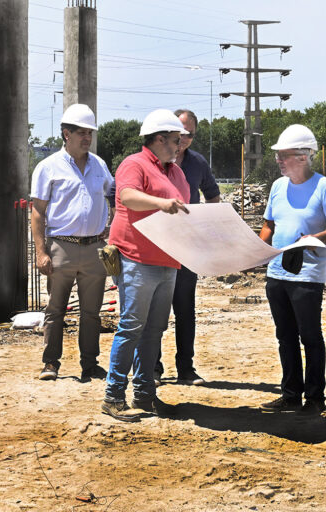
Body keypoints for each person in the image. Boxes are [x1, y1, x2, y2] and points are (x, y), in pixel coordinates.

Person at [101, 109, 191, 422]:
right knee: (131, 327)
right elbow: (127, 196)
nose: (179, 146)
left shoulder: (175, 172)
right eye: (175, 140)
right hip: (136, 259)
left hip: (167, 260)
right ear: (159, 138)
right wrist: (162, 204)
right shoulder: (134, 164)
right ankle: (113, 395)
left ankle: (144, 394)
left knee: (154, 329)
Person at [258, 124, 326, 416]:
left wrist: (313, 240)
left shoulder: (324, 188)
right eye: (278, 156)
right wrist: (256, 249)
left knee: (310, 336)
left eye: (284, 155)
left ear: (305, 156)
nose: (279, 161)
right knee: (285, 336)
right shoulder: (277, 187)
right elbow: (269, 224)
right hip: (276, 273)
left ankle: (315, 398)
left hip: (307, 276)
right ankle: (291, 395)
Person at [30, 103, 115, 382]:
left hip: (94, 249)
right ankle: (51, 363)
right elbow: (38, 211)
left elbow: (114, 195)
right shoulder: (47, 167)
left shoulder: (100, 166)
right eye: (81, 132)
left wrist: (110, 225)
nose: (86, 138)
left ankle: (90, 365)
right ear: (66, 133)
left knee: (92, 312)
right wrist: (41, 252)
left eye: (89, 132)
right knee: (55, 310)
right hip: (61, 247)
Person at [153, 109, 220, 387]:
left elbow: (214, 196)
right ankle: (152, 367)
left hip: (186, 248)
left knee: (185, 310)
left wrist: (206, 226)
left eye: (189, 134)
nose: (183, 139)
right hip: (155, 246)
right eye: (179, 133)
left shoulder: (198, 164)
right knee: (155, 310)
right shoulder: (149, 161)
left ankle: (186, 368)